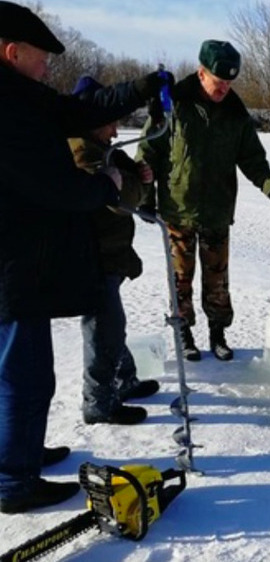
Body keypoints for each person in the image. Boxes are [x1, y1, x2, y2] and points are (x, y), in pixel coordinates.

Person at [0, 1, 170, 513]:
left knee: (20, 372)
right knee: (24, 375)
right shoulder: (7, 110)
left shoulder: (21, 98)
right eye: (42, 58)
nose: (49, 68)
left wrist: (142, 85)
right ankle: (13, 480)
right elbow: (52, 186)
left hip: (21, 262)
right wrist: (105, 185)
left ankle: (19, 452)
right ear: (12, 52)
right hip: (11, 266)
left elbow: (79, 111)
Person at [137, 39, 270, 362]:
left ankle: (218, 333)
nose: (223, 90)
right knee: (181, 279)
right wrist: (145, 196)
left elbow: (252, 158)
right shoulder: (174, 104)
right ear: (201, 73)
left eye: (229, 84)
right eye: (219, 83)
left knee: (217, 279)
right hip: (177, 209)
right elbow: (149, 151)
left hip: (218, 210)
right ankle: (184, 333)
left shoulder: (236, 113)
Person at [69, 76, 162, 425]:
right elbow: (118, 200)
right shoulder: (81, 151)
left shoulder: (102, 150)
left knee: (111, 324)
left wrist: (137, 174)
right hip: (92, 256)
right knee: (103, 328)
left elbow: (129, 182)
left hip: (109, 253)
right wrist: (137, 183)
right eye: (109, 123)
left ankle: (124, 380)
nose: (114, 131)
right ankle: (98, 402)